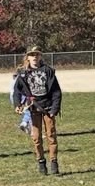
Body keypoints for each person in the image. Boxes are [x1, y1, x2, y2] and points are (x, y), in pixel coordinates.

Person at [13, 46, 62, 175]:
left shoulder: (48, 71)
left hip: (48, 108)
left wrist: (55, 108)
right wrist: (18, 104)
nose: (34, 57)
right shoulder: (23, 73)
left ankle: (53, 162)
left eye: (37, 55)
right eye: (32, 55)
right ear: (28, 57)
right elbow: (17, 91)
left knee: (51, 136)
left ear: (40, 56)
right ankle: (41, 161)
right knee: (36, 137)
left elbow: (56, 91)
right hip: (34, 108)